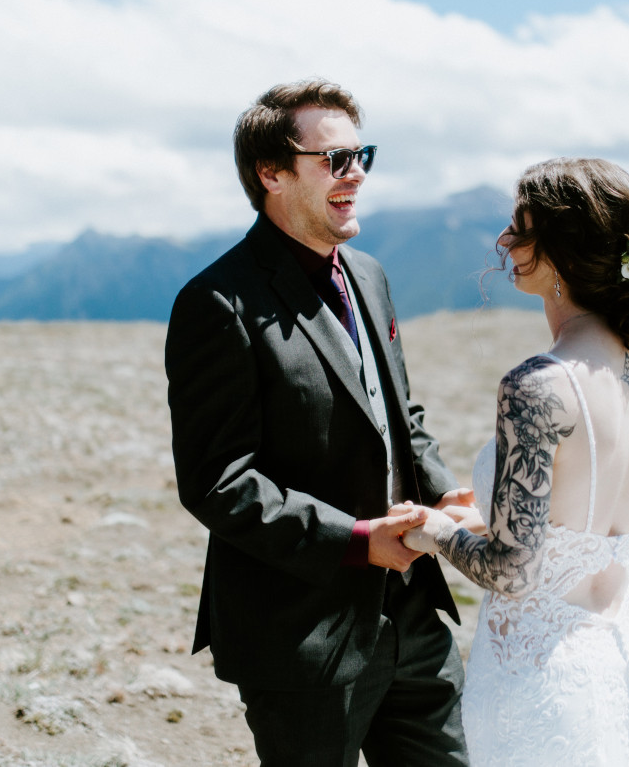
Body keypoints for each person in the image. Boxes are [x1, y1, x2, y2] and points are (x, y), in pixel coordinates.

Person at [164, 79, 473, 767]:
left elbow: (399, 413)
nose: (356, 171)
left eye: (361, 154)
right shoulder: (216, 302)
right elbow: (217, 481)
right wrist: (358, 540)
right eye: (334, 158)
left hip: (415, 615)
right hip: (300, 636)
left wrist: (446, 492)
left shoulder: (370, 274)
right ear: (271, 173)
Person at [403, 157, 629, 766]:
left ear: (563, 253)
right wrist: (485, 522)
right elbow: (621, 544)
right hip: (616, 657)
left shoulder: (537, 386)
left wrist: (436, 531)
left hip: (537, 675)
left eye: (521, 230)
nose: (504, 242)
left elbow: (514, 574)